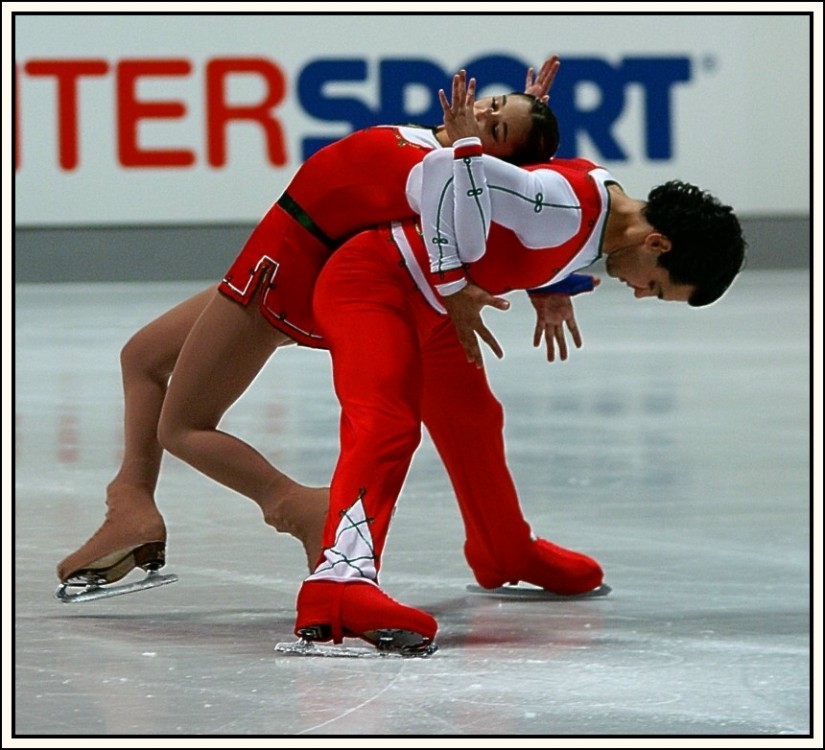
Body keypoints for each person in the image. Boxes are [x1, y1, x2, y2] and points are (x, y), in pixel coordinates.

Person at [57, 62, 602, 600]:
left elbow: (493, 225)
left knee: (182, 428)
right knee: (143, 356)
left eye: (496, 126)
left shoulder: (438, 175)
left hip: (275, 281)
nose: (481, 110)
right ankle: (129, 506)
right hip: (273, 258)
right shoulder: (431, 146)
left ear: (494, 163)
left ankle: (297, 507)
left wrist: (545, 271)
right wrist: (512, 131)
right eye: (495, 102)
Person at [291, 74, 747, 655]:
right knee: (386, 424)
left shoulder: (608, 209)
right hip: (374, 284)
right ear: (658, 244)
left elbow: (518, 224)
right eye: (656, 288)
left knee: (475, 420)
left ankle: (503, 550)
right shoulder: (566, 208)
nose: (638, 294)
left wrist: (549, 284)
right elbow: (449, 177)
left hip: (430, 305)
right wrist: (456, 280)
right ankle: (336, 586)